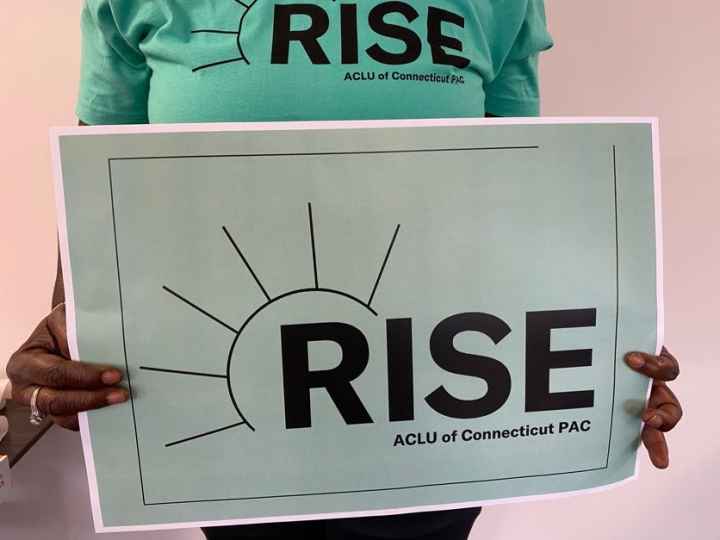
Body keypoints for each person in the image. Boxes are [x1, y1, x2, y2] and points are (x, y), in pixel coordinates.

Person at [4, 1, 683, 539]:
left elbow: (508, 197)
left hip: (429, 413)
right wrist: (69, 332)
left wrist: (601, 365)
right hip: (228, 424)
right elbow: (96, 193)